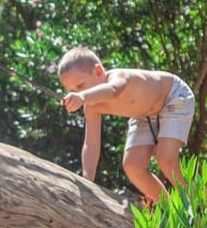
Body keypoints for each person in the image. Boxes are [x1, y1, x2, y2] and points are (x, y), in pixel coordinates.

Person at [57, 46, 195, 204]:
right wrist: (87, 181)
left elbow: (112, 90)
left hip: (172, 97)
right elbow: (91, 143)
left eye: (80, 86)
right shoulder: (91, 106)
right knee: (133, 166)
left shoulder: (117, 77)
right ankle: (168, 208)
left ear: (98, 71)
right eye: (71, 91)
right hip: (143, 115)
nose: (76, 92)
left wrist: (82, 96)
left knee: (166, 159)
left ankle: (198, 201)